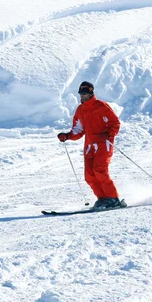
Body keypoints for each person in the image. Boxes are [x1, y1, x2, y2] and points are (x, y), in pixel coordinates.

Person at [57, 81, 122, 209]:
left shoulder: (102, 106)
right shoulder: (81, 110)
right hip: (89, 146)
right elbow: (78, 130)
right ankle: (103, 199)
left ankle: (113, 198)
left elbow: (115, 123)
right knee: (89, 175)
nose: (82, 96)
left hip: (104, 144)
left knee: (100, 170)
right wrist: (67, 136)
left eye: (84, 93)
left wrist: (109, 135)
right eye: (80, 93)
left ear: (91, 93)